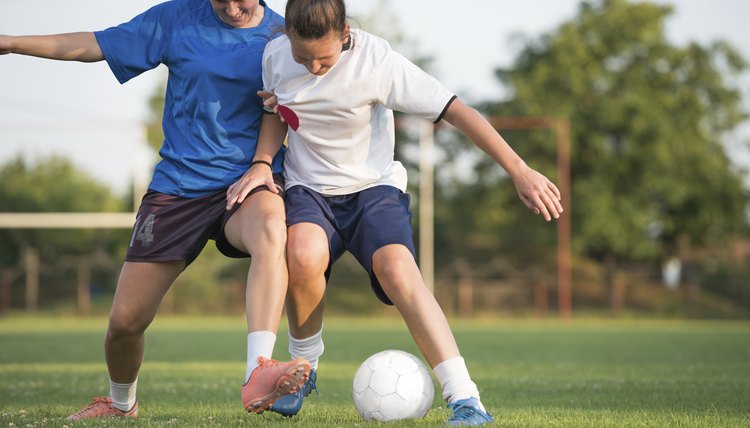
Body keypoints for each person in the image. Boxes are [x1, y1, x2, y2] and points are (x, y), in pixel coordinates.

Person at [226, 0, 564, 425]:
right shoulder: (275, 55)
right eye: (303, 56)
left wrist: (518, 169)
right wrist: (262, 160)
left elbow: (456, 110)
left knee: (398, 270)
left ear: (345, 32)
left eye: (324, 57)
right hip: (308, 189)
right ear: (287, 35)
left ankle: (466, 398)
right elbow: (276, 111)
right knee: (302, 255)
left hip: (373, 189)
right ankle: (303, 370)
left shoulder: (378, 60)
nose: (313, 67)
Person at [0, 0, 311, 420]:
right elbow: (96, 43)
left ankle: (259, 370)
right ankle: (121, 403)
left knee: (273, 229)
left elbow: (290, 102)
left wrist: (262, 163)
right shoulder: (175, 20)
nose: (234, 7)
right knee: (124, 324)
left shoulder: (281, 36)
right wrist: (13, 42)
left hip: (247, 183)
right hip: (178, 189)